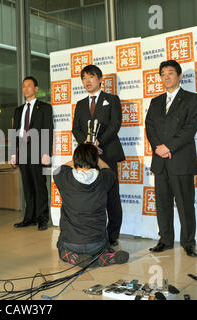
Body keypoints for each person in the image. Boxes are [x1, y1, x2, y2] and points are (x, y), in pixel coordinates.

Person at [145, 60, 197, 258]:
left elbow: (190, 129)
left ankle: (188, 243)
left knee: (185, 204)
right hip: (160, 161)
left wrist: (169, 147)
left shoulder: (192, 99)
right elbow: (149, 127)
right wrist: (158, 149)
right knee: (162, 203)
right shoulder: (155, 101)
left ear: (179, 76)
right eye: (162, 74)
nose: (166, 77)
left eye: (170, 73)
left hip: (181, 160)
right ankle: (166, 240)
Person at [72, 64, 125, 246]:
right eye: (84, 78)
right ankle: (93, 232)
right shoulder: (80, 104)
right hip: (87, 157)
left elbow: (115, 124)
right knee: (91, 196)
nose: (87, 81)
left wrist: (98, 143)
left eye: (91, 77)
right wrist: (87, 144)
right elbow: (76, 128)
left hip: (107, 153)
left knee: (111, 195)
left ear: (100, 79)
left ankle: (113, 235)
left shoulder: (111, 99)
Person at [54, 144, 129, 267]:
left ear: (76, 159)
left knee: (60, 246)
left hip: (71, 243)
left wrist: (79, 157)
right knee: (103, 244)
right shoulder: (103, 179)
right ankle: (102, 256)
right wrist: (94, 155)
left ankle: (72, 257)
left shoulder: (64, 177)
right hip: (96, 244)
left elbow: (59, 169)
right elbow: (108, 170)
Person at [10, 76, 53, 231]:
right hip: (22, 150)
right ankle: (29, 218)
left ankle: (42, 219)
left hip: (37, 150)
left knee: (39, 185)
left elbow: (48, 130)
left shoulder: (45, 107)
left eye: (29, 86)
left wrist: (46, 153)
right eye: (23, 86)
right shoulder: (18, 110)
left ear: (36, 89)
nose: (26, 88)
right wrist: (14, 154)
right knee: (27, 186)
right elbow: (16, 133)